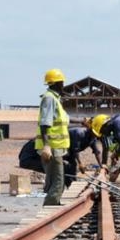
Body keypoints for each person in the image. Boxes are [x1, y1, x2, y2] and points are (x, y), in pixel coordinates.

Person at [35, 68, 70, 206]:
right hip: (52, 148)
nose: (63, 85)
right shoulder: (49, 98)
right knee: (58, 181)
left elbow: (62, 121)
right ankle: (50, 208)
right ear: (56, 83)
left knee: (55, 181)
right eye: (62, 82)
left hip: (56, 148)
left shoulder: (54, 98)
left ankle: (52, 205)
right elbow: (45, 124)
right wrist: (47, 146)